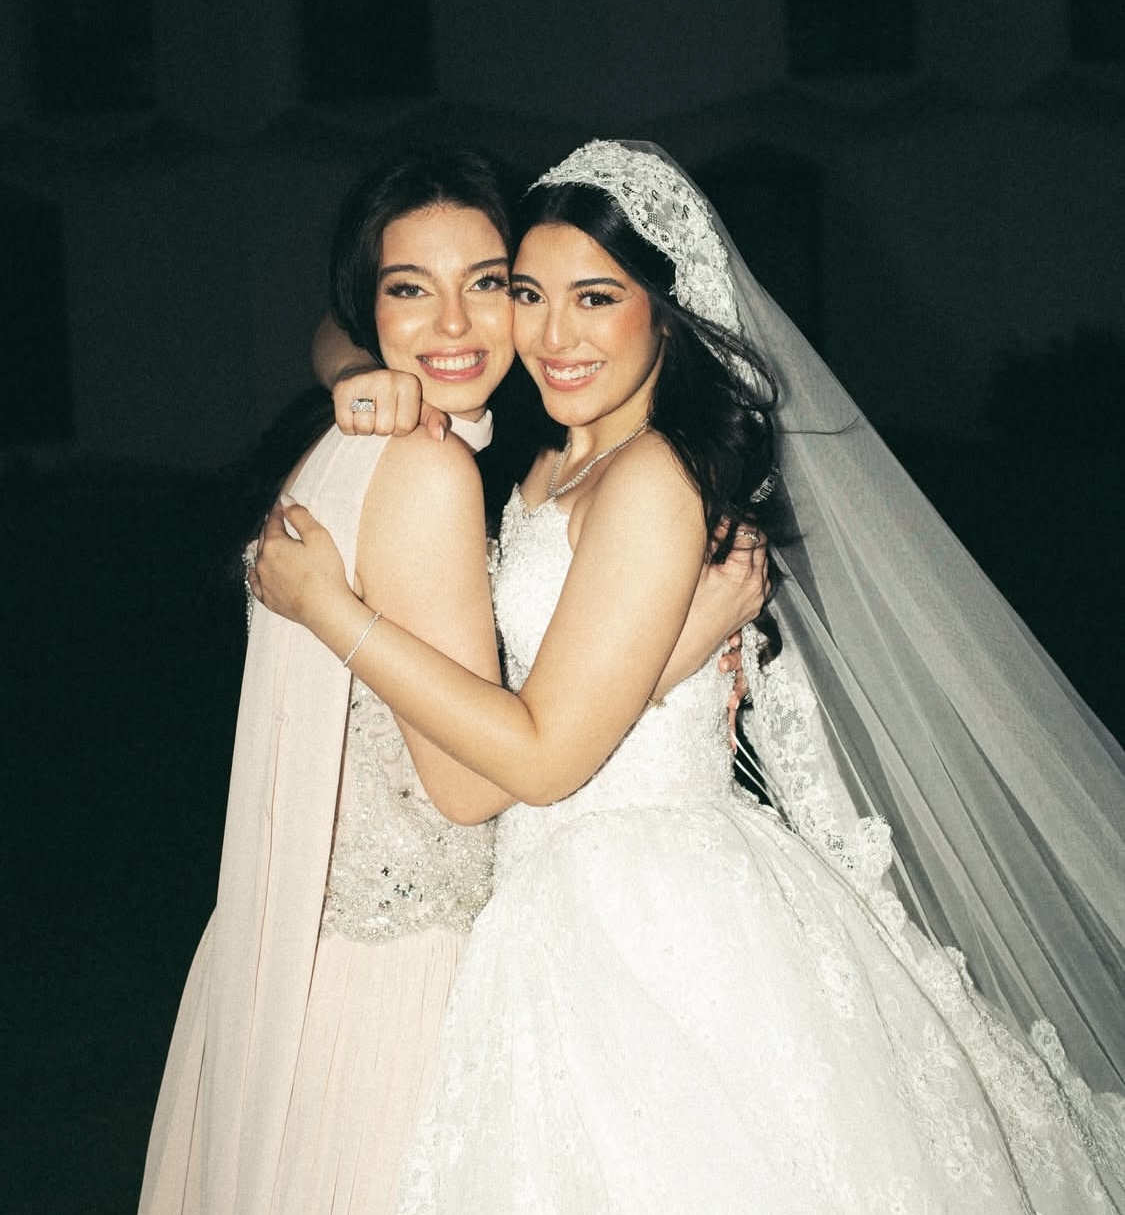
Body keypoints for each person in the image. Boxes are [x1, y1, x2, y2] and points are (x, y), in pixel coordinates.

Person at [252, 140, 1125, 1212]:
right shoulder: (543, 448)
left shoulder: (654, 473)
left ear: (666, 313)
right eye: (525, 293)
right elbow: (349, 322)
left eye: (595, 298)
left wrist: (333, 612)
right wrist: (354, 370)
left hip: (649, 908)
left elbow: (543, 755)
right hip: (550, 898)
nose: (552, 334)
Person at [140, 145, 766, 1215]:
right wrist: (670, 653)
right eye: (410, 291)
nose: (459, 324)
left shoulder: (372, 433)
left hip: (296, 955)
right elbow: (476, 786)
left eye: (488, 284)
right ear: (371, 304)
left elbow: (337, 329)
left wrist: (351, 365)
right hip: (392, 977)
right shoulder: (427, 464)